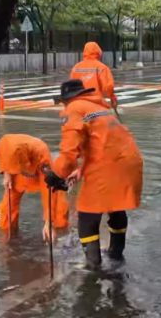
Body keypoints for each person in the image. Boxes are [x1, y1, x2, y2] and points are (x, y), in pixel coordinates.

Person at [50, 79, 144, 268]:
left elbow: (69, 152)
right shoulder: (99, 107)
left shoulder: (74, 108)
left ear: (67, 99)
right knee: (116, 206)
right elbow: (101, 145)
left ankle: (93, 266)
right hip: (130, 162)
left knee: (87, 215)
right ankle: (116, 256)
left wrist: (57, 174)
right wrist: (80, 171)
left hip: (108, 166)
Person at [0, 134, 69, 241]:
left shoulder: (41, 154)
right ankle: (4, 236)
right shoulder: (4, 142)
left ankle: (60, 235)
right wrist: (7, 174)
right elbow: (3, 158)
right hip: (17, 176)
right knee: (5, 211)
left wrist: (49, 223)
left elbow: (48, 189)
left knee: (59, 210)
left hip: (38, 175)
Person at [70, 42, 117, 109]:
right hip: (96, 104)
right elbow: (107, 87)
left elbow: (71, 86)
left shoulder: (76, 68)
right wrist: (112, 97)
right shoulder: (101, 67)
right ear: (98, 52)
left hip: (79, 104)